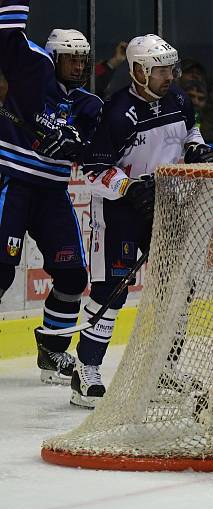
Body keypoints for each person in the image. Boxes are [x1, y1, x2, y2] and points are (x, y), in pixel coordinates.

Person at [73, 34, 213, 408]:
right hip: (119, 211)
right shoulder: (116, 112)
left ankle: (165, 369)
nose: (168, 76)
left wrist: (196, 149)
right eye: (159, 71)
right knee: (112, 290)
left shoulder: (179, 100)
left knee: (177, 289)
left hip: (167, 206)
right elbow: (92, 171)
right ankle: (85, 369)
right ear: (138, 71)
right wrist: (129, 188)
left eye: (170, 69)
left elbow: (190, 130)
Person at [0, 3, 103, 386]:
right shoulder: (33, 74)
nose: (77, 66)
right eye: (70, 59)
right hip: (13, 180)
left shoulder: (90, 105)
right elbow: (8, 36)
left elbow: (97, 149)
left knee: (73, 275)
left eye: (83, 60)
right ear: (53, 58)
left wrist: (76, 146)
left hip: (52, 193)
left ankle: (53, 350)